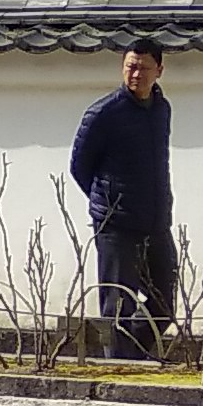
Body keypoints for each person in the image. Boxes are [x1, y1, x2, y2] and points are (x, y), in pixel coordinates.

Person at [69, 38, 176, 361]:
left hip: (156, 221)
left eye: (144, 68)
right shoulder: (104, 113)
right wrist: (108, 202)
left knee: (164, 302)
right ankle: (119, 365)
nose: (136, 74)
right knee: (118, 306)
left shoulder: (161, 109)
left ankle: (135, 356)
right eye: (131, 67)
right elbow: (80, 166)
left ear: (159, 71)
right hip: (116, 224)